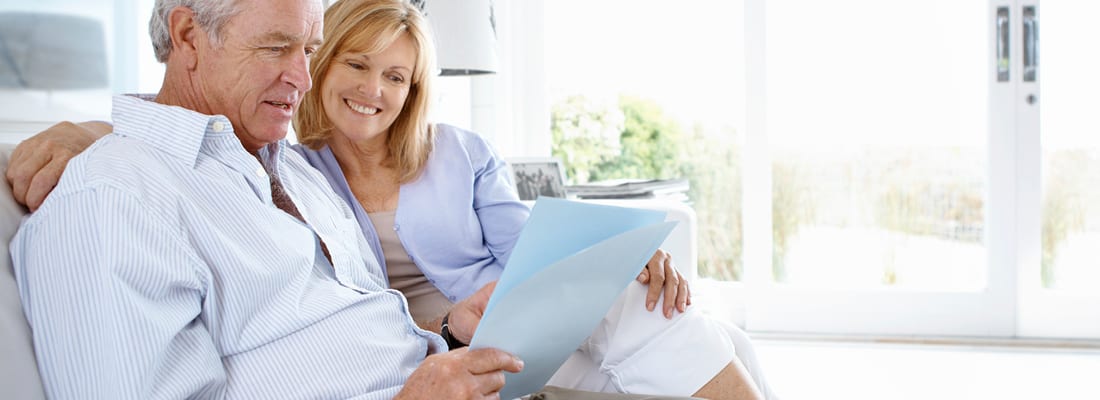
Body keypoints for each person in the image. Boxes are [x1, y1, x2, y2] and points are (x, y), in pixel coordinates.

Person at [8, 0, 767, 399]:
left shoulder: (294, 169)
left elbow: (359, 319)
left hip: (450, 368)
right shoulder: (113, 196)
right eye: (280, 47)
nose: (303, 79)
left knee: (655, 311)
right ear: (186, 35)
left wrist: (447, 331)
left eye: (308, 51)